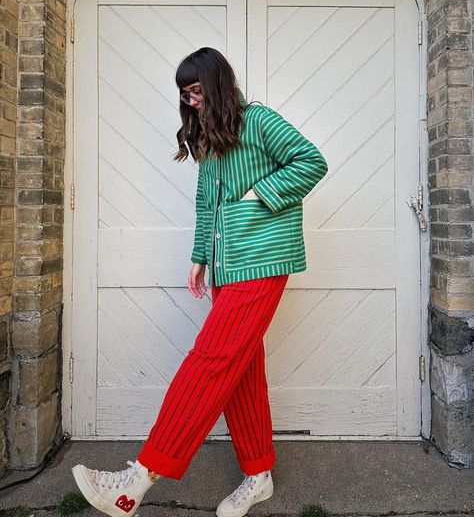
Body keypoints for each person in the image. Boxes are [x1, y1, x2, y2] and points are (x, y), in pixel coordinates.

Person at [71, 47, 329, 517]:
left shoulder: (259, 120)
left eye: (196, 91)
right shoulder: (209, 139)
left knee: (210, 360)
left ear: (216, 83)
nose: (191, 102)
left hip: (263, 261)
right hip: (225, 267)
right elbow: (204, 203)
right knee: (241, 367)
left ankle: (138, 479)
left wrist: (259, 194)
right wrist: (198, 257)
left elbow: (311, 161)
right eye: (185, 95)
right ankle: (259, 474)